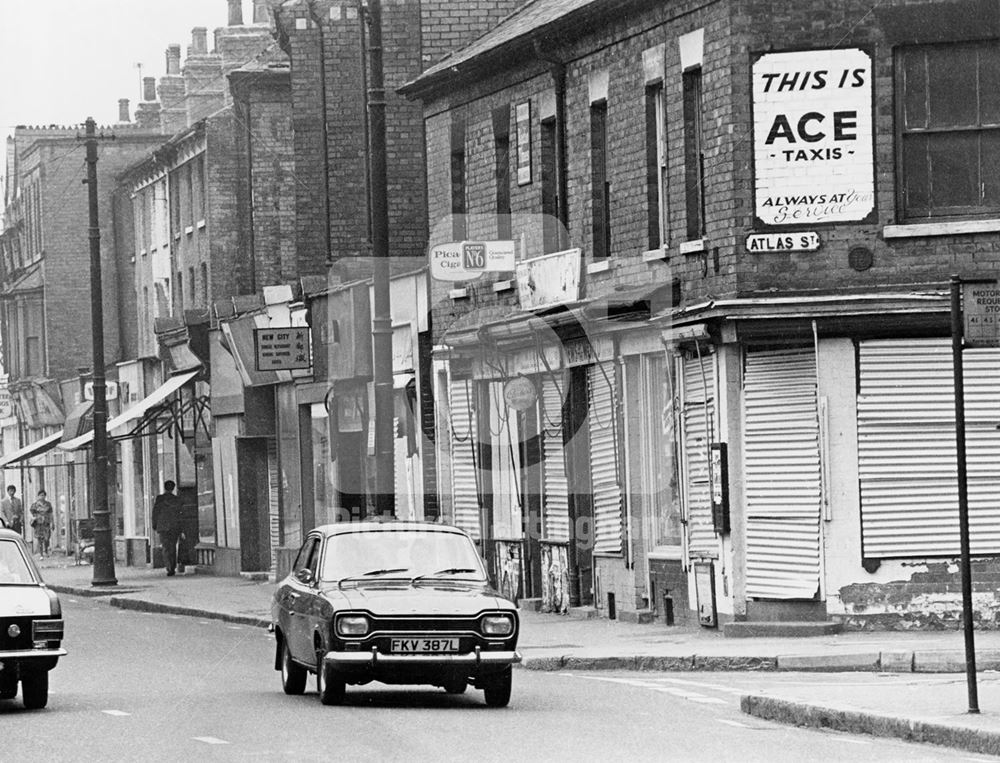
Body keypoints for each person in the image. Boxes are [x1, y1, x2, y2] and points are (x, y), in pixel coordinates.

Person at [151, 480, 184, 576]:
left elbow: (155, 513)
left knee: (165, 547)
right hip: (174, 527)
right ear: (173, 488)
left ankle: (169, 567)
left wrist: (154, 525)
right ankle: (172, 567)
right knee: (173, 547)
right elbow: (179, 515)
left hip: (162, 527)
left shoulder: (160, 499)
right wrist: (181, 528)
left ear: (165, 488)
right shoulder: (177, 500)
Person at [29, 489, 54, 556]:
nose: (42, 497)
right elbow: (32, 513)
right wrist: (35, 517)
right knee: (39, 538)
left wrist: (52, 522)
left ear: (45, 496)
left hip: (46, 523)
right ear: (38, 496)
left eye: (43, 495)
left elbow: (51, 514)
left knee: (46, 538)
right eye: (40, 495)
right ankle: (41, 553)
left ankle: (46, 550)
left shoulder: (48, 504)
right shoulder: (35, 505)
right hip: (38, 523)